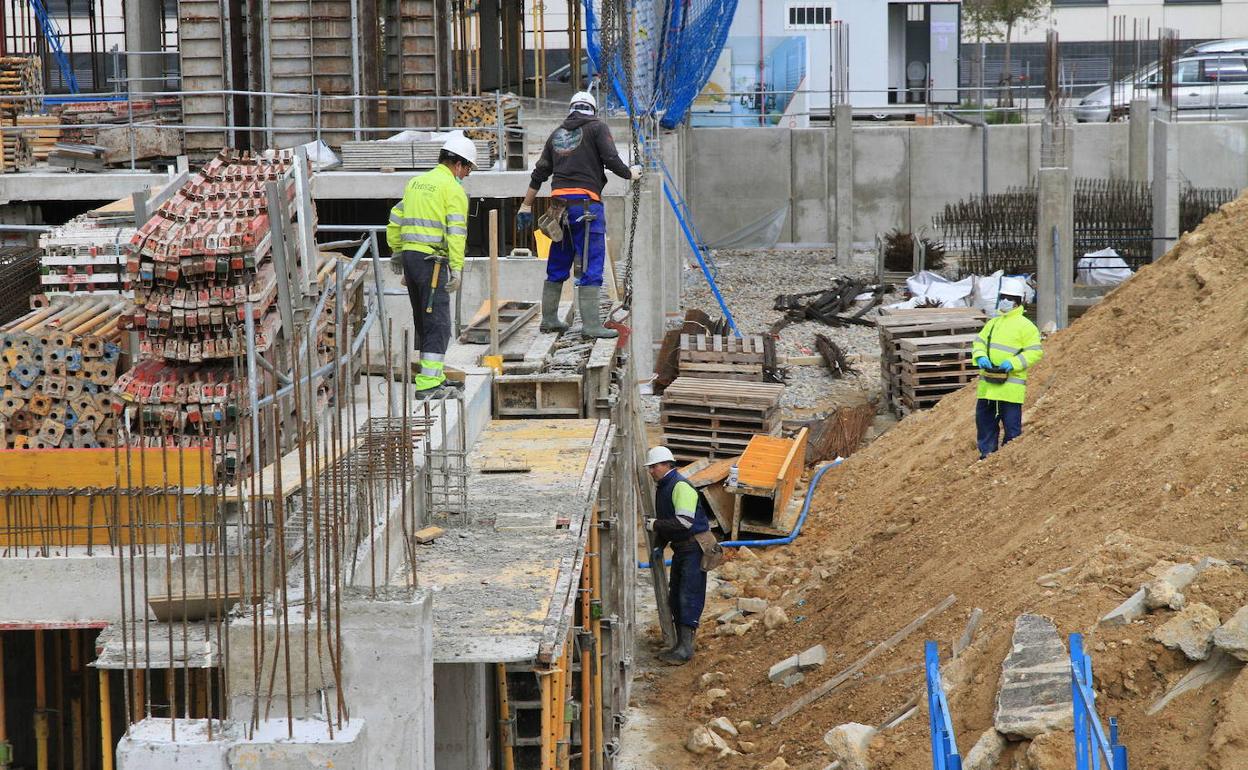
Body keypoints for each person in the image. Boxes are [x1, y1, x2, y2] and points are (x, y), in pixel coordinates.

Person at [516, 91, 641, 339]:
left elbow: (539, 173)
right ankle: (591, 325)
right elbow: (610, 158)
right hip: (586, 207)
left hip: (558, 208)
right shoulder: (597, 128)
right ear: (592, 110)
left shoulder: (557, 134)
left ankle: (550, 319)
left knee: (559, 260)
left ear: (572, 109)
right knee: (592, 263)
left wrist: (526, 206)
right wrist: (630, 174)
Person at [386, 133, 477, 399]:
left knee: (424, 320)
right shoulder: (453, 190)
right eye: (468, 168)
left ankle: (433, 378)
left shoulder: (416, 183)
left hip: (413, 260)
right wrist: (457, 268)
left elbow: (396, 218)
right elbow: (456, 233)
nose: (468, 174)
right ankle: (427, 384)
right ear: (458, 165)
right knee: (438, 323)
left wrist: (398, 254)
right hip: (432, 263)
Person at [643, 446, 717, 664]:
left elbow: (684, 522)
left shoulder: (679, 486)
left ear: (667, 465)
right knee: (676, 595)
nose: (651, 471)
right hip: (682, 548)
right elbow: (672, 523)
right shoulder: (665, 487)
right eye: (650, 467)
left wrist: (655, 525)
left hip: (694, 548)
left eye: (654, 466)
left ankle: (686, 648)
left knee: (688, 595)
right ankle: (680, 645)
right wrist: (659, 544)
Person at [972, 276, 1043, 458]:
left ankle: (1008, 461)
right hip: (988, 386)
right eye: (1003, 297)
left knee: (1012, 429)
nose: (1005, 301)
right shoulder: (993, 323)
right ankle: (987, 456)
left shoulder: (1027, 327)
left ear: (1018, 302)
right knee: (985, 423)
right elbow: (979, 343)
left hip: (1010, 388)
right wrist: (980, 357)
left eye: (1010, 299)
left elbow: (1034, 352)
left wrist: (1012, 363)